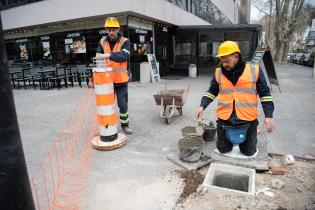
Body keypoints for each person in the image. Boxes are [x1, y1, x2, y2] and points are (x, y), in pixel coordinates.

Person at [196, 41, 274, 156]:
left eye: (227, 61)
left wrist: (269, 115)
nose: (224, 64)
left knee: (248, 152)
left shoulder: (254, 69)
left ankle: (252, 134)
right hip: (225, 118)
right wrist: (202, 105)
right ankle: (230, 139)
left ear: (236, 57)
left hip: (247, 118)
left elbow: (265, 93)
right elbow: (212, 91)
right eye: (222, 61)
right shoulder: (219, 72)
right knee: (223, 150)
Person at [95, 17, 132, 134]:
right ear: (106, 29)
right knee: (107, 106)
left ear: (118, 29)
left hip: (121, 81)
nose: (111, 32)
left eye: (113, 29)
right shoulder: (102, 42)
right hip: (106, 81)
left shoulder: (125, 41)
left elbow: (124, 56)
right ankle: (108, 125)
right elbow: (98, 59)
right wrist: (92, 79)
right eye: (109, 29)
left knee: (123, 105)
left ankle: (125, 125)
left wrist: (107, 55)